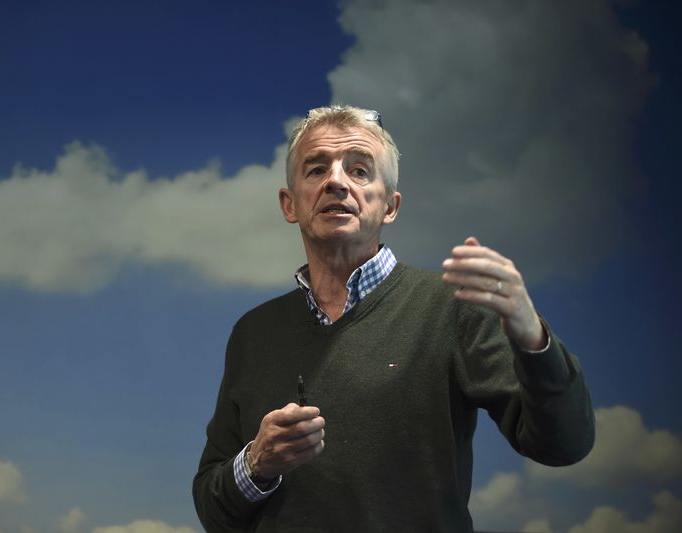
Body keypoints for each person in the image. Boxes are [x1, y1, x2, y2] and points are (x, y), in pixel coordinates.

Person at [192, 105, 594, 532]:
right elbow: (213, 511)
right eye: (315, 170)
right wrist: (257, 465)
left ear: (390, 206)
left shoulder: (454, 308)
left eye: (360, 171)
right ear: (289, 204)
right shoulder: (253, 334)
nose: (335, 182)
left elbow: (564, 444)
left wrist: (531, 336)